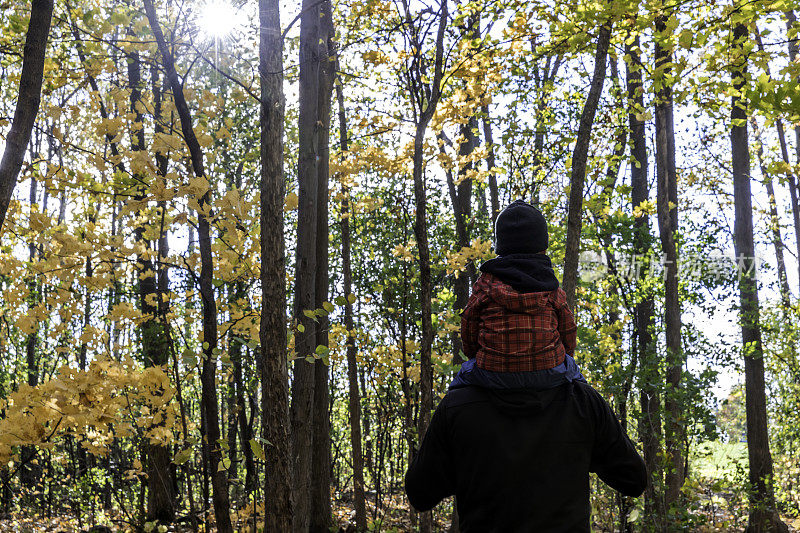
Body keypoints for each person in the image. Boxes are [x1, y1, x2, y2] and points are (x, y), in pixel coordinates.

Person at [405, 200, 647, 532]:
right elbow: (634, 480)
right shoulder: (583, 404)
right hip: (559, 382)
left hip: (483, 382)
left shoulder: (457, 408)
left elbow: (420, 494)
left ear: (501, 245)